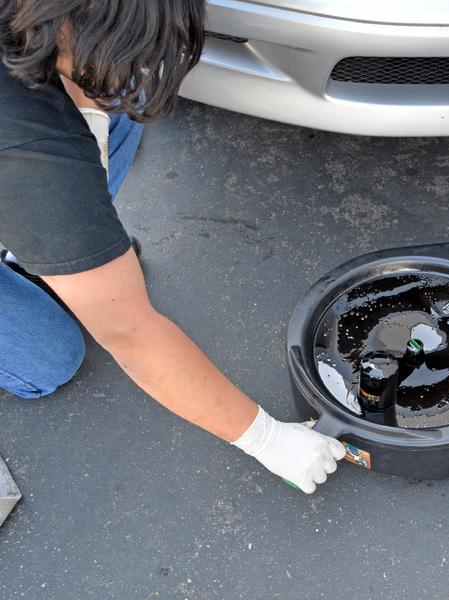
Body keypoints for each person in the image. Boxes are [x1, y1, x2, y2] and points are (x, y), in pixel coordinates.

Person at [0, 1, 345, 494]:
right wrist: (268, 439)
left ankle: (43, 249)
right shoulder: (30, 151)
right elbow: (131, 334)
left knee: (117, 113)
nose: (145, 64)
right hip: (20, 161)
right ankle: (44, 254)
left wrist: (89, 123)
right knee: (50, 359)